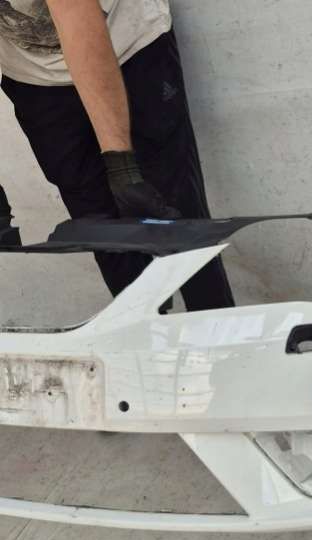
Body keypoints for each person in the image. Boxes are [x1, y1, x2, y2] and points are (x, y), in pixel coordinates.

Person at [0, 0, 234, 311]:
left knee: (173, 210)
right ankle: (143, 327)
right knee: (101, 226)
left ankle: (214, 322)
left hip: (125, 42)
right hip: (34, 74)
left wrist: (122, 166)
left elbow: (76, 14)